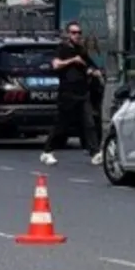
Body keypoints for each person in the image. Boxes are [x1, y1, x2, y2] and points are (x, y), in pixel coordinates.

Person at [40, 21, 102, 167]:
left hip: (82, 92)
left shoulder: (81, 50)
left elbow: (90, 66)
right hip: (67, 93)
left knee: (89, 123)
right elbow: (55, 64)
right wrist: (72, 60)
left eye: (79, 33)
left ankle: (95, 153)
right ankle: (47, 151)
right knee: (62, 125)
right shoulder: (62, 49)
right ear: (68, 34)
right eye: (74, 33)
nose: (77, 36)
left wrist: (94, 72)